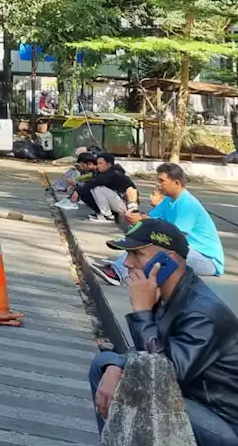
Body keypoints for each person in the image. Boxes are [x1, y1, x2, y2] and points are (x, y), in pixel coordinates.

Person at [89, 219, 238, 445]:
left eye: (137, 254)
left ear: (167, 260)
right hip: (188, 400)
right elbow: (148, 358)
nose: (127, 263)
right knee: (104, 365)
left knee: (137, 388)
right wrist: (115, 366)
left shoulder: (202, 313)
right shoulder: (169, 295)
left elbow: (159, 374)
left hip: (222, 425)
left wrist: (142, 311)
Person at [97, 163, 225, 286]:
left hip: (207, 260)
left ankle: (118, 273)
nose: (159, 185)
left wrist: (142, 221)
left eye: (162, 181)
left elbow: (175, 237)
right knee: (142, 238)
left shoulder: (187, 204)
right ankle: (119, 268)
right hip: (185, 251)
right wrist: (135, 214)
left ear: (176, 183)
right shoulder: (169, 200)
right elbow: (149, 218)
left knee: (155, 245)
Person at [63, 152, 138, 224]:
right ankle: (101, 213)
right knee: (87, 189)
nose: (98, 166)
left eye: (100, 163)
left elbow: (94, 182)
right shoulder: (103, 172)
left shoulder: (114, 173)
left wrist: (77, 190)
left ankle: (107, 216)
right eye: (98, 163)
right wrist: (78, 189)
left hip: (125, 205)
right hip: (118, 202)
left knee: (97, 188)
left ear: (108, 164)